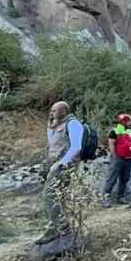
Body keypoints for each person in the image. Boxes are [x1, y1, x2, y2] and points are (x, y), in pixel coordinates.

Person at [38, 101, 83, 244]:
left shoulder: (73, 124)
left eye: (53, 111)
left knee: (48, 195)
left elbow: (77, 146)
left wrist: (62, 164)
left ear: (63, 112)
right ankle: (58, 228)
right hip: (57, 164)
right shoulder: (60, 125)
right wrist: (50, 128)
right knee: (58, 196)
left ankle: (59, 229)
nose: (51, 113)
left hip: (64, 165)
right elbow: (52, 144)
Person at [102, 113, 131, 208]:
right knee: (111, 178)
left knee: (125, 179)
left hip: (128, 158)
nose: (130, 123)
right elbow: (111, 144)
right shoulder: (114, 131)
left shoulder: (129, 131)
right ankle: (106, 198)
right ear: (123, 121)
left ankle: (121, 197)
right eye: (128, 121)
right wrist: (114, 155)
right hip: (118, 158)